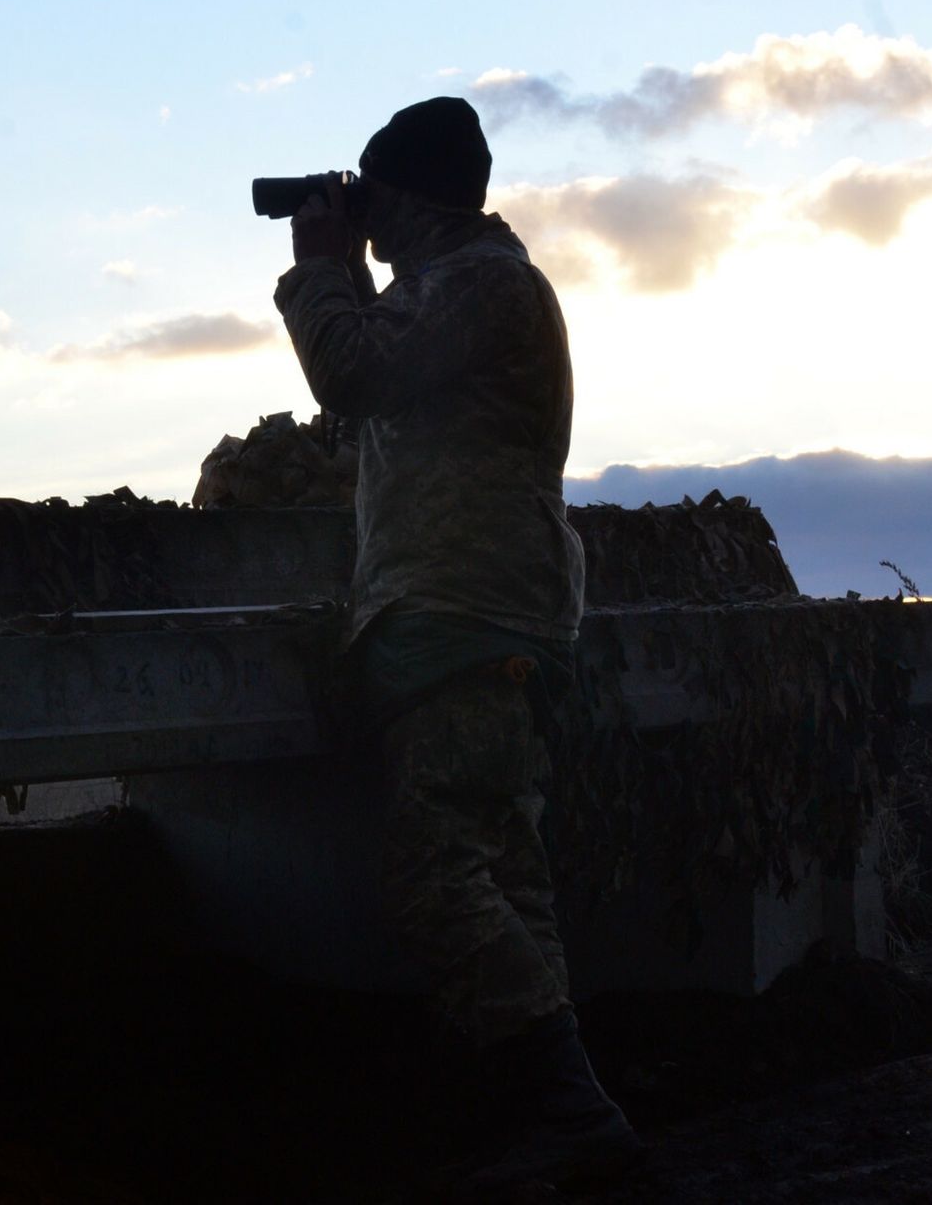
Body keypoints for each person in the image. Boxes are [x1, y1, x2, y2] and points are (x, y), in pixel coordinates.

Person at [273, 96, 643, 1190]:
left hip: (468, 611)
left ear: (409, 200)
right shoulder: (462, 287)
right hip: (478, 608)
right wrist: (352, 268)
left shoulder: (480, 284)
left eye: (376, 200)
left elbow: (348, 373)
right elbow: (381, 387)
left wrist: (318, 269)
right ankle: (549, 1115)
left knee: (436, 876)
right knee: (504, 873)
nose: (367, 223)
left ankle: (572, 1111)